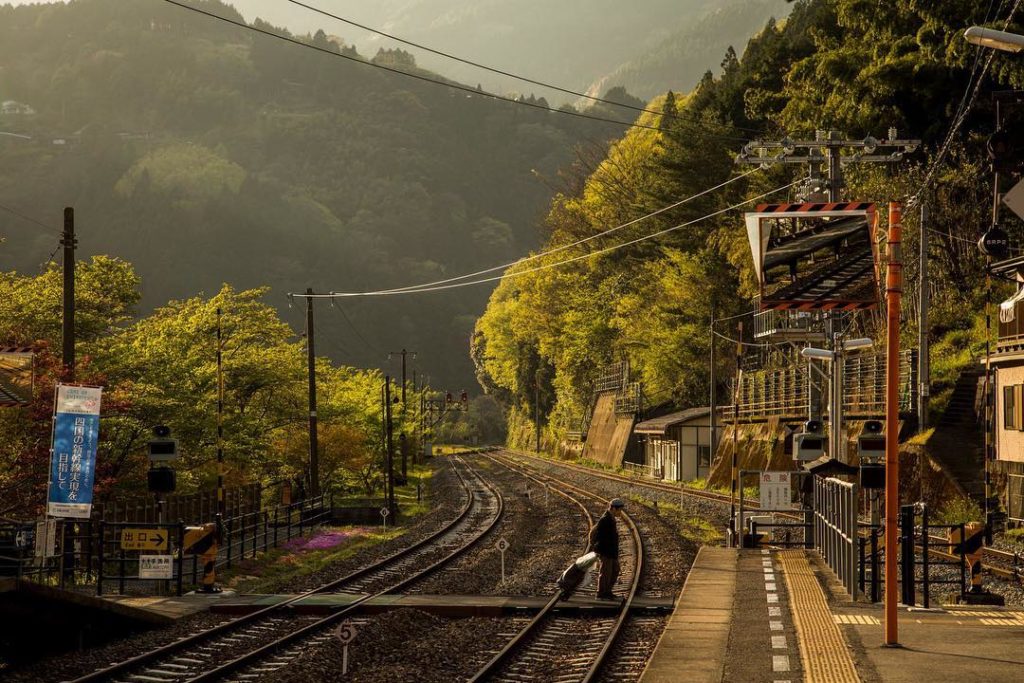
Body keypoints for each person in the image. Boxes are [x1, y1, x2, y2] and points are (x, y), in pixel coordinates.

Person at [589, 498, 625, 600]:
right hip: (606, 552)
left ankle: (608, 591)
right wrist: (601, 551)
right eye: (619, 510)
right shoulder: (605, 520)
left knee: (614, 571)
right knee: (605, 573)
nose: (620, 513)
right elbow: (600, 537)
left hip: (611, 552)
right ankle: (601, 593)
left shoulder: (611, 519)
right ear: (613, 508)